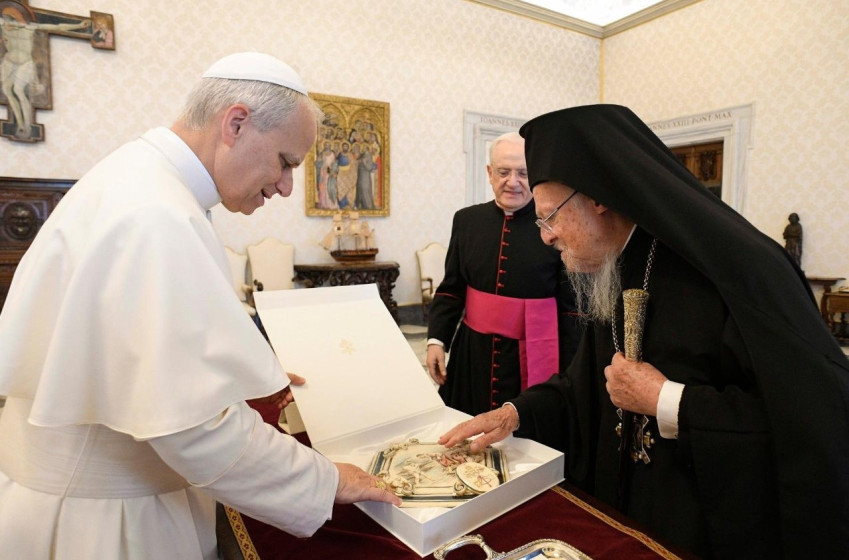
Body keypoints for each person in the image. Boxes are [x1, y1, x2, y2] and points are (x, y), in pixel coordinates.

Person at [0, 52, 400, 560]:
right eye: (285, 162)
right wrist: (326, 481)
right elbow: (193, 426)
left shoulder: (141, 180)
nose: (285, 186)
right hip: (106, 523)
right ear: (236, 123)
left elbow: (138, 359)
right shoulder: (157, 215)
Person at [439, 105, 849, 558]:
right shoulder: (612, 265)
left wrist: (665, 400)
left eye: (550, 216)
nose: (546, 236)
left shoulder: (745, 273)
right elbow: (582, 388)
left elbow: (815, 419)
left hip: (701, 532)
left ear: (598, 197)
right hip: (625, 515)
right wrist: (514, 414)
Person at [426, 132, 583, 416]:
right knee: (466, 422)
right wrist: (437, 340)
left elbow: (572, 307)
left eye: (523, 173)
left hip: (537, 352)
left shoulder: (557, 226)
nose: (512, 182)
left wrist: (572, 370)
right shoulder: (466, 220)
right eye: (503, 172)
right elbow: (452, 289)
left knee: (529, 429)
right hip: (473, 353)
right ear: (489, 173)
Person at [0, 5, 89, 139]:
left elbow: (56, 27)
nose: (7, 23)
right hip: (9, 62)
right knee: (7, 90)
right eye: (4, 19)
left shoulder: (29, 28)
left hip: (25, 63)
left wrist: (78, 25)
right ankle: (20, 124)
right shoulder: (3, 26)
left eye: (10, 19)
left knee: (18, 90)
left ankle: (27, 125)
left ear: (17, 19)